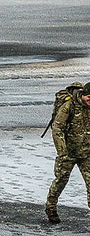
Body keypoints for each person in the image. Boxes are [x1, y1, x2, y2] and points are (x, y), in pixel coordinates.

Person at [45, 82, 90, 224]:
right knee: (60, 180)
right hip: (68, 153)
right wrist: (62, 151)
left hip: (86, 153)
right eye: (89, 97)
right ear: (82, 95)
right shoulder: (68, 106)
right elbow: (57, 129)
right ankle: (51, 208)